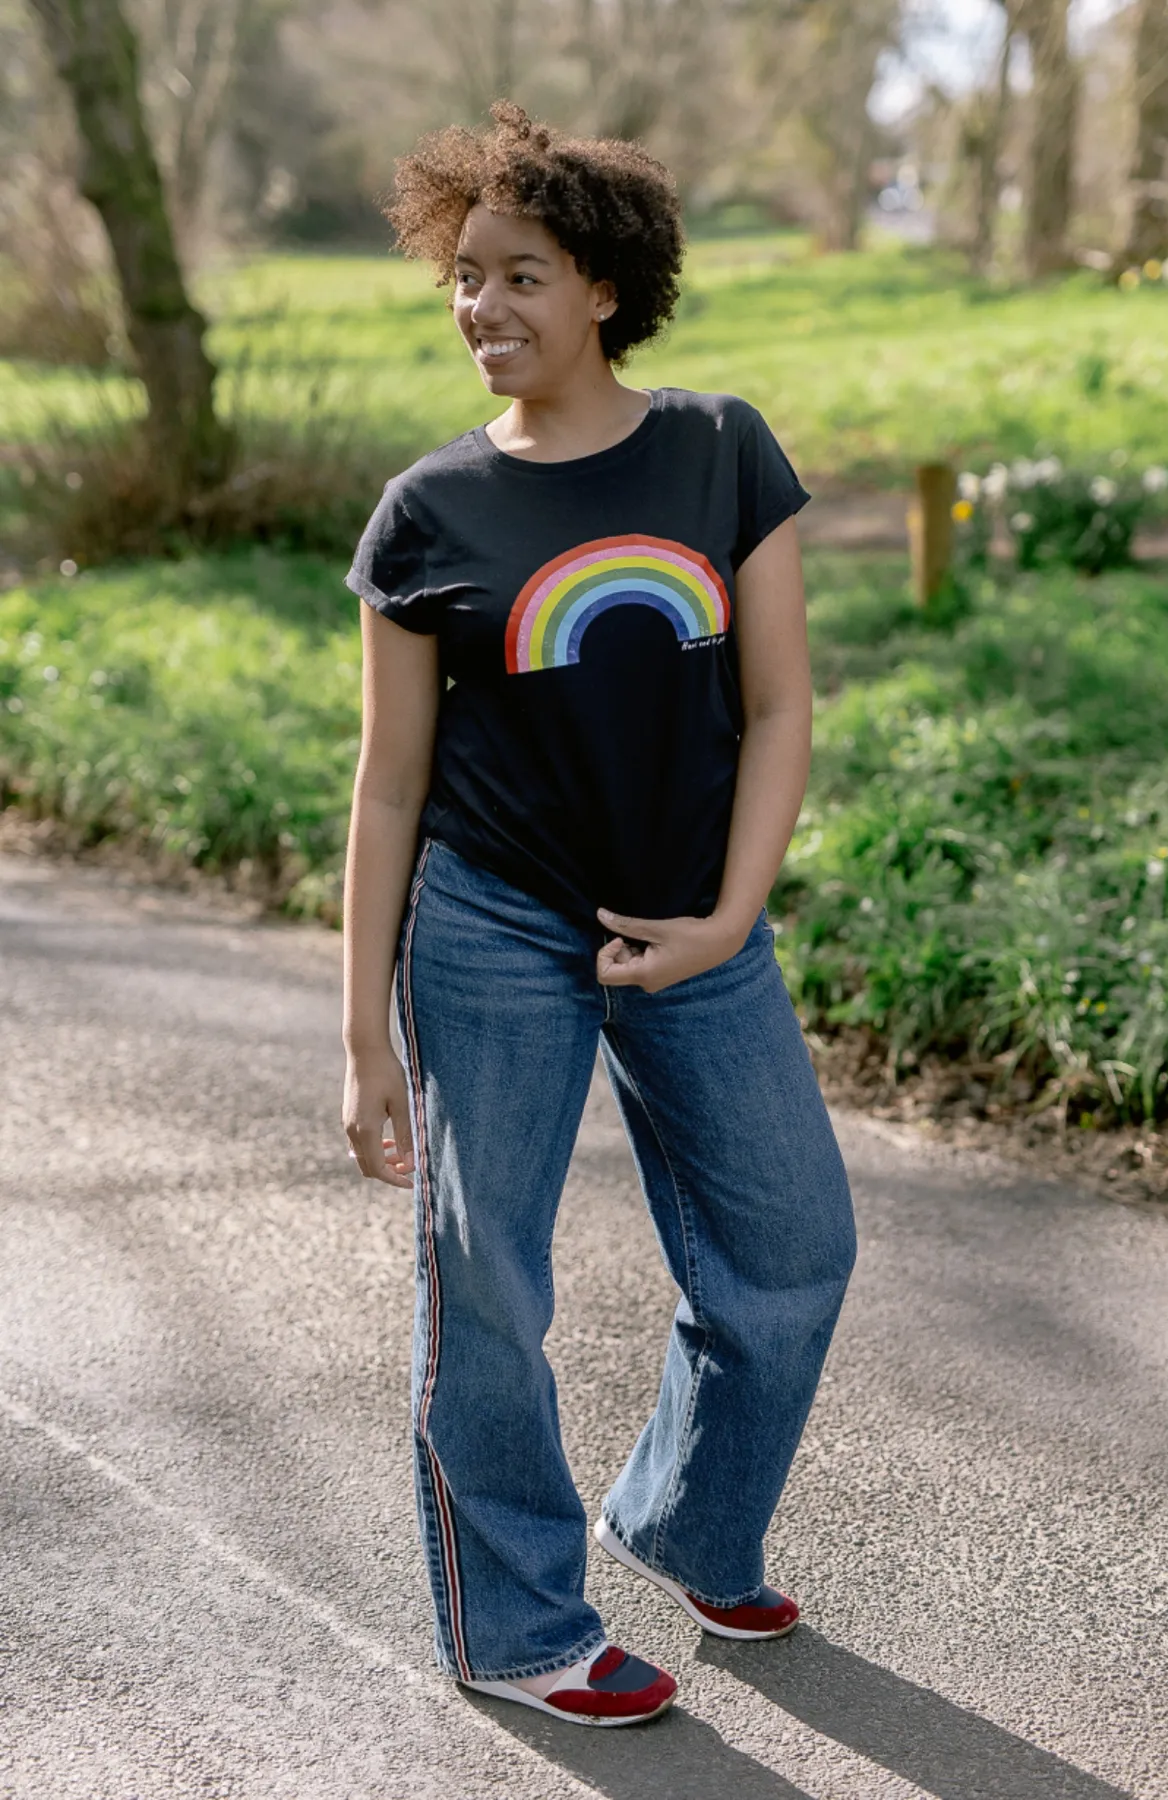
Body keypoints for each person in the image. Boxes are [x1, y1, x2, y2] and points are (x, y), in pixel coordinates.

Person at [341, 99, 856, 1728]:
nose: (482, 307)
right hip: (491, 926)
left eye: (522, 275)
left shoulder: (719, 451)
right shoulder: (428, 515)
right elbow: (389, 786)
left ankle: (691, 1517)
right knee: (489, 1277)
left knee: (792, 1248)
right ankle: (520, 1623)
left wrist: (726, 917)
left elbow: (778, 710)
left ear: (610, 290)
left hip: (698, 926)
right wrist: (364, 1035)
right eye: (463, 278)